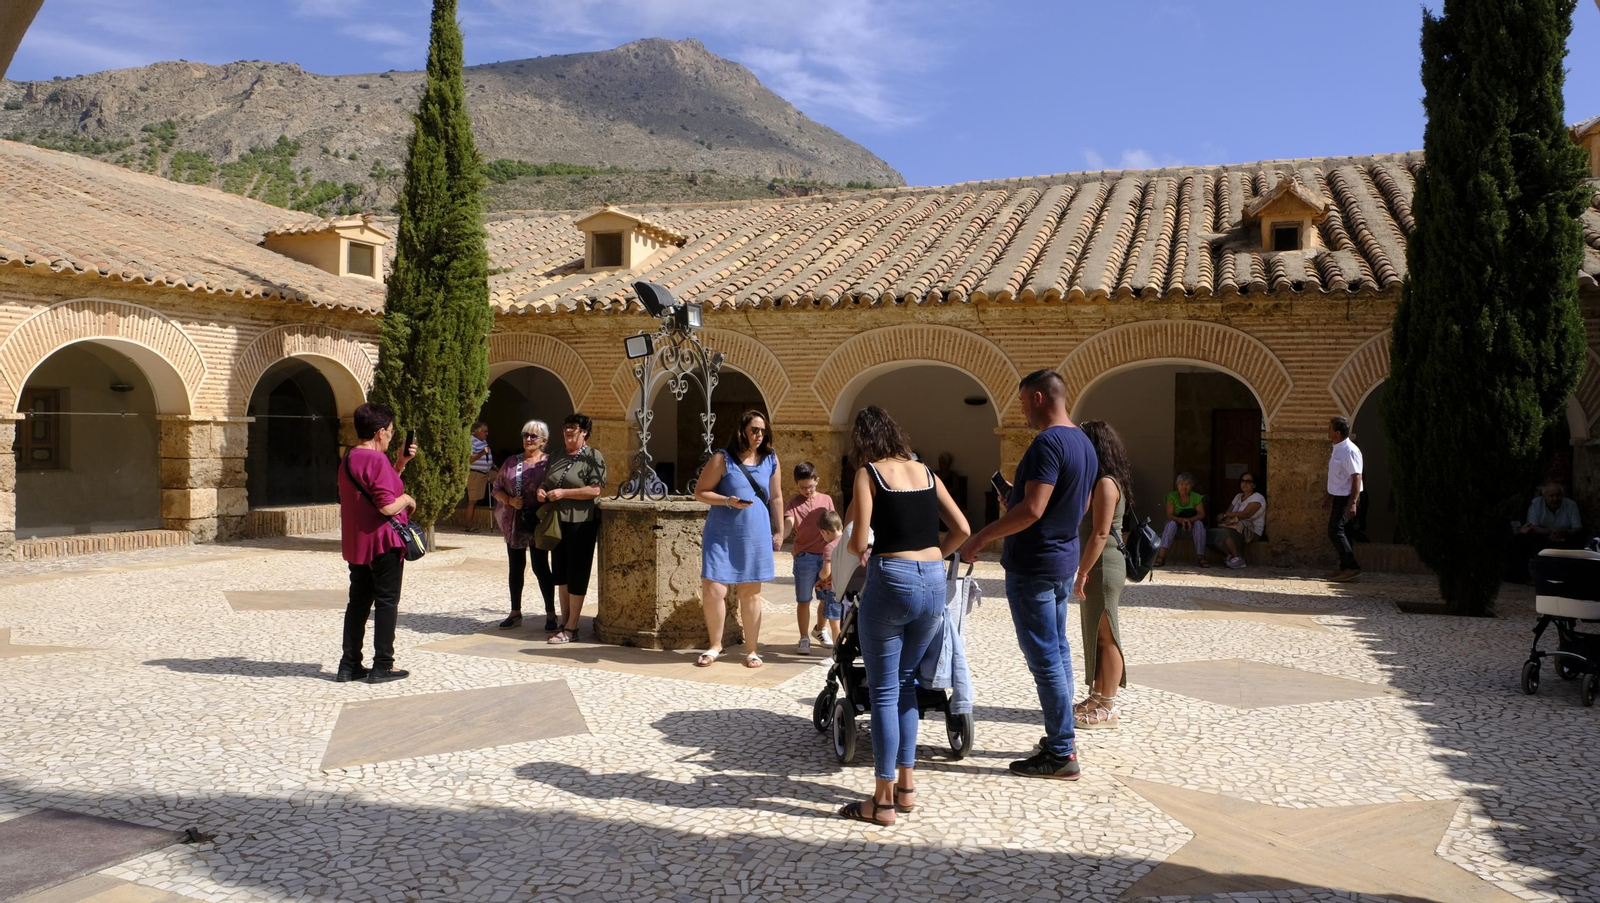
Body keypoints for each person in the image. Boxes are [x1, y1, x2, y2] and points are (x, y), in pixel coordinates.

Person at [960, 369, 1097, 780]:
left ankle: (1060, 752)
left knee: (1045, 660)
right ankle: (1063, 737)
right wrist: (1015, 501)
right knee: (1059, 651)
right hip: (1061, 559)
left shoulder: (1047, 443)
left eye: (1022, 402)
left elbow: (1034, 509)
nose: (1020, 410)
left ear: (1038, 398)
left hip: (1034, 565)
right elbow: (1079, 504)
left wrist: (980, 538)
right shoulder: (1083, 442)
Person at [839, 405, 970, 825]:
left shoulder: (868, 474)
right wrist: (930, 563)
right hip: (934, 582)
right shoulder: (927, 471)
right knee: (908, 685)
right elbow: (963, 530)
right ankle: (907, 787)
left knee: (883, 692)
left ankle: (881, 801)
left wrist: (859, 551)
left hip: (891, 578)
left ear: (863, 442)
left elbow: (858, 540)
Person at [336, 402, 417, 684]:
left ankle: (349, 665)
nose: (392, 436)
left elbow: (378, 488)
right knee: (386, 603)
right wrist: (407, 500)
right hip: (383, 544)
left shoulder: (349, 458)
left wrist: (400, 464)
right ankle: (383, 665)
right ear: (380, 432)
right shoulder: (376, 460)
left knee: (357, 603)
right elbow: (386, 506)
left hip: (358, 544)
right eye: (391, 432)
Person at [693, 410, 782, 668]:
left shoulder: (770, 459)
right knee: (713, 590)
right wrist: (727, 500)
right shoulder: (722, 458)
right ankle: (715, 645)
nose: (759, 435)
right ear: (742, 429)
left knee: (750, 593)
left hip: (755, 532)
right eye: (755, 429)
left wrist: (780, 531)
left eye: (763, 431)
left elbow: (775, 497)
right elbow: (700, 492)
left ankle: (752, 650)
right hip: (721, 533)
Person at [1072, 421, 1129, 730]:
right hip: (1097, 563)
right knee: (1095, 632)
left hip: (1104, 565)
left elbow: (1100, 533)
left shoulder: (1107, 483)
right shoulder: (1097, 482)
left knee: (1107, 635)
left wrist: (1082, 572)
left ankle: (1108, 704)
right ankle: (1096, 696)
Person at [541, 413, 606, 644]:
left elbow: (595, 490)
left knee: (577, 572)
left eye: (574, 428)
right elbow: (545, 481)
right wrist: (541, 490)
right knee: (560, 572)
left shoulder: (593, 456)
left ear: (584, 431)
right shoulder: (556, 455)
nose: (569, 431)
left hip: (582, 522)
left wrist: (564, 493)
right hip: (558, 521)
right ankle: (565, 622)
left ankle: (572, 627)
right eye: (566, 427)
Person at [490, 420, 556, 632]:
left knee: (541, 567)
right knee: (515, 567)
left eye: (534, 436)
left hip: (538, 522)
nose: (528, 439)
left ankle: (551, 613)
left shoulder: (549, 463)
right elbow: (497, 487)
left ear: (543, 441)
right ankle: (515, 612)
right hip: (515, 522)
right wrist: (509, 501)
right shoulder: (511, 462)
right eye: (526, 435)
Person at [781, 461, 838, 654]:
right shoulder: (794, 503)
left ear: (817, 481)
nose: (807, 491)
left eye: (810, 487)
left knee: (826, 597)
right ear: (796, 485)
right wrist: (781, 535)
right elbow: (789, 521)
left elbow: (834, 523)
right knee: (803, 599)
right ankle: (803, 636)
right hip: (804, 556)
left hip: (826, 556)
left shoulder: (826, 500)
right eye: (802, 487)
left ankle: (820, 630)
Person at [1513, 482, 1586, 579]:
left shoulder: (1571, 505)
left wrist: (1563, 533)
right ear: (1544, 496)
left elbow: (1577, 528)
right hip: (1543, 536)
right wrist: (1551, 532)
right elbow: (1532, 526)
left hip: (1564, 537)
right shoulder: (1535, 504)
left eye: (1558, 495)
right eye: (1551, 496)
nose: (1555, 499)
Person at [1325, 416, 1363, 582]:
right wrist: (1328, 495)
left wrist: (1353, 502)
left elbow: (1356, 477)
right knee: (1344, 533)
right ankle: (1345, 567)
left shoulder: (1349, 450)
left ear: (1337, 433)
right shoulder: (1337, 448)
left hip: (1347, 498)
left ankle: (1352, 566)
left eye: (1329, 428)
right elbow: (1338, 476)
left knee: (1334, 531)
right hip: (1339, 497)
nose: (1328, 430)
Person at [1209, 473, 1266, 569]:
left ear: (1254, 485)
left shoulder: (1258, 497)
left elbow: (1245, 514)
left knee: (1224, 533)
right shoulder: (1238, 496)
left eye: (1248, 482)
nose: (1245, 484)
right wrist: (1226, 518)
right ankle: (1230, 555)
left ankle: (1238, 558)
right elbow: (1229, 511)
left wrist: (1225, 514)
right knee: (1211, 533)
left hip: (1251, 531)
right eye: (1242, 481)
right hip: (1235, 526)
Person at [1154, 473, 1206, 567]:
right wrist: (1181, 520)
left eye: (1187, 484)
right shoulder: (1172, 497)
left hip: (1191, 528)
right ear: (1177, 485)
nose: (1184, 487)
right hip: (1176, 529)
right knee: (1171, 524)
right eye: (1181, 484)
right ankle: (1161, 557)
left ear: (1191, 486)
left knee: (1199, 524)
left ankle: (1201, 557)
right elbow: (1169, 515)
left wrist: (1189, 520)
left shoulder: (1196, 497)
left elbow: (1201, 514)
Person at [813, 510, 845, 648]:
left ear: (824, 532)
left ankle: (837, 653)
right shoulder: (849, 542)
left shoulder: (830, 547)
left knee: (835, 623)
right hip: (848, 588)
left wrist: (821, 577)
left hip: (835, 591)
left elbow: (826, 572)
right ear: (841, 527)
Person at [466, 421, 493, 531]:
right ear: (477, 431)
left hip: (487, 472)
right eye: (484, 431)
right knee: (473, 501)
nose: (487, 433)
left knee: (503, 482)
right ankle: (469, 525)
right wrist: (482, 453)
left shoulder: (483, 441)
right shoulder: (471, 442)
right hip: (476, 473)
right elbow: (469, 459)